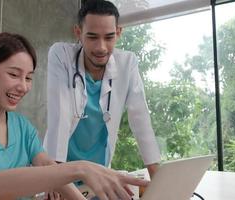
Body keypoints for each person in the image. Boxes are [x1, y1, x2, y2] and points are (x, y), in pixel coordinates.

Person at [0, 32, 147, 200]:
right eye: (14, 74)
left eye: (28, 78)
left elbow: (47, 166)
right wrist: (81, 168)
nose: (23, 86)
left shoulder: (21, 126)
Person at [44, 0, 161, 177]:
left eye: (109, 37)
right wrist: (54, 177)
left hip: (99, 174)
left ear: (119, 32)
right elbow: (59, 116)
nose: (101, 47)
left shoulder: (127, 63)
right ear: (78, 32)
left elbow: (140, 118)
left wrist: (158, 177)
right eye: (92, 37)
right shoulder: (62, 55)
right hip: (61, 169)